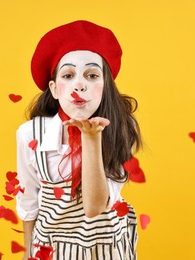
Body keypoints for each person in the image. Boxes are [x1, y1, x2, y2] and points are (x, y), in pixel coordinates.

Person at [15, 20, 142, 260]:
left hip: (107, 248)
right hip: (52, 249)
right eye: (69, 75)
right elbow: (28, 198)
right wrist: (26, 253)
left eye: (92, 75)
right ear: (54, 89)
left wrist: (91, 139)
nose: (80, 85)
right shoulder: (29, 134)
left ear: (105, 86)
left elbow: (95, 207)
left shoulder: (122, 128)